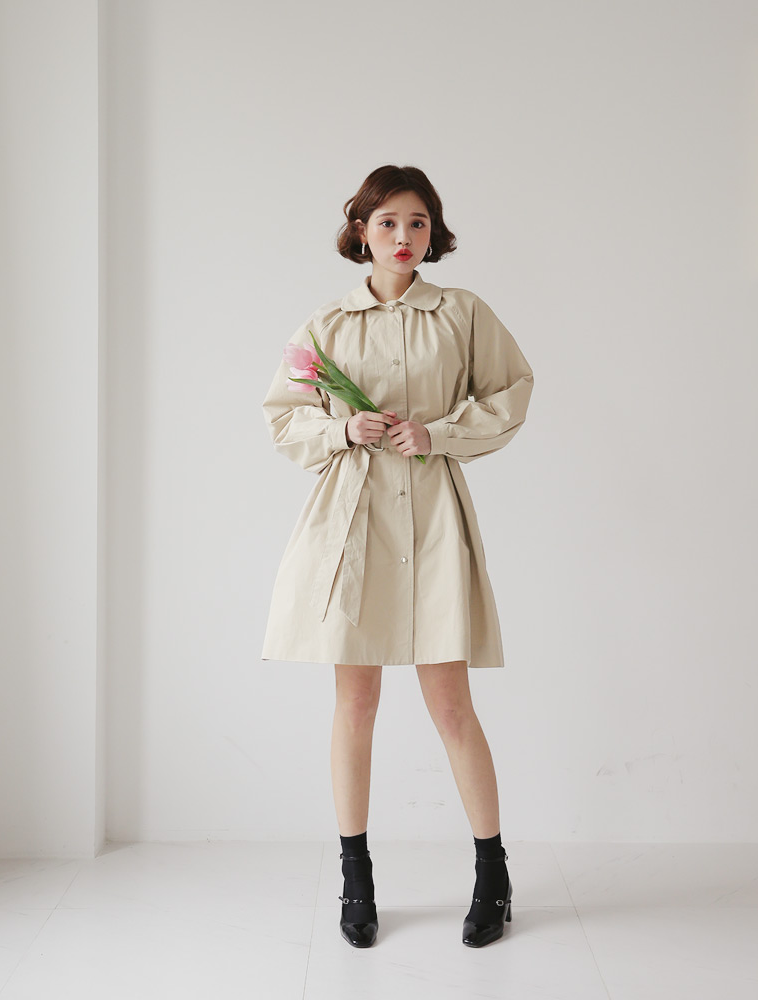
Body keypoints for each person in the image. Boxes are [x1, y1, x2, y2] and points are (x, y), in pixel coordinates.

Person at [260, 165, 535, 948]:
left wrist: (437, 433)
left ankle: (493, 874)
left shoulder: (462, 313)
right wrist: (342, 429)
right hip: (352, 522)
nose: (403, 237)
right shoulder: (327, 325)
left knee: (451, 704)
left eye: (417, 222)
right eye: (387, 223)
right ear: (361, 231)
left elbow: (512, 390)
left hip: (433, 519)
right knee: (356, 703)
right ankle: (356, 877)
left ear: (433, 231)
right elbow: (284, 417)